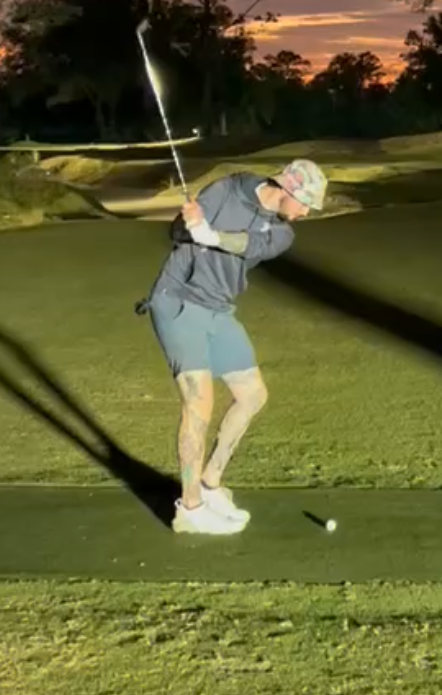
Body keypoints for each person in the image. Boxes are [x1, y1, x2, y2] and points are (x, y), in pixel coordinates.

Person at [138, 158, 327, 534]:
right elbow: (179, 234)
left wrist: (211, 236)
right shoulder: (227, 190)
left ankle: (209, 485)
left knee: (253, 395)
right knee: (199, 402)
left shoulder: (282, 233)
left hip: (219, 309)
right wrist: (188, 220)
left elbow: (245, 244)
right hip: (179, 299)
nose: (306, 211)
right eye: (305, 202)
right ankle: (189, 509)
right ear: (288, 189)